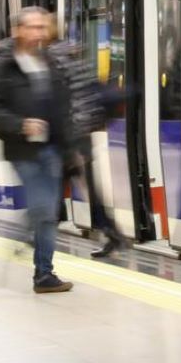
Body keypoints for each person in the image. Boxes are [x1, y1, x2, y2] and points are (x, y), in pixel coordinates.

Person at [0, 7, 75, 294]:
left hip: (52, 148)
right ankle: (28, 255)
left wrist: (72, 147)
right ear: (18, 30)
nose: (39, 33)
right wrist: (20, 124)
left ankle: (44, 274)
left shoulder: (50, 62)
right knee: (44, 208)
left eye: (43, 27)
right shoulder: (2, 65)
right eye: (33, 27)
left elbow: (61, 107)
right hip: (23, 150)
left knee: (48, 212)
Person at [44, 19, 123, 258]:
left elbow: (63, 101)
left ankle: (37, 236)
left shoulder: (53, 60)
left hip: (71, 137)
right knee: (79, 188)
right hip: (80, 134)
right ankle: (112, 234)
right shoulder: (73, 56)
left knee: (55, 189)